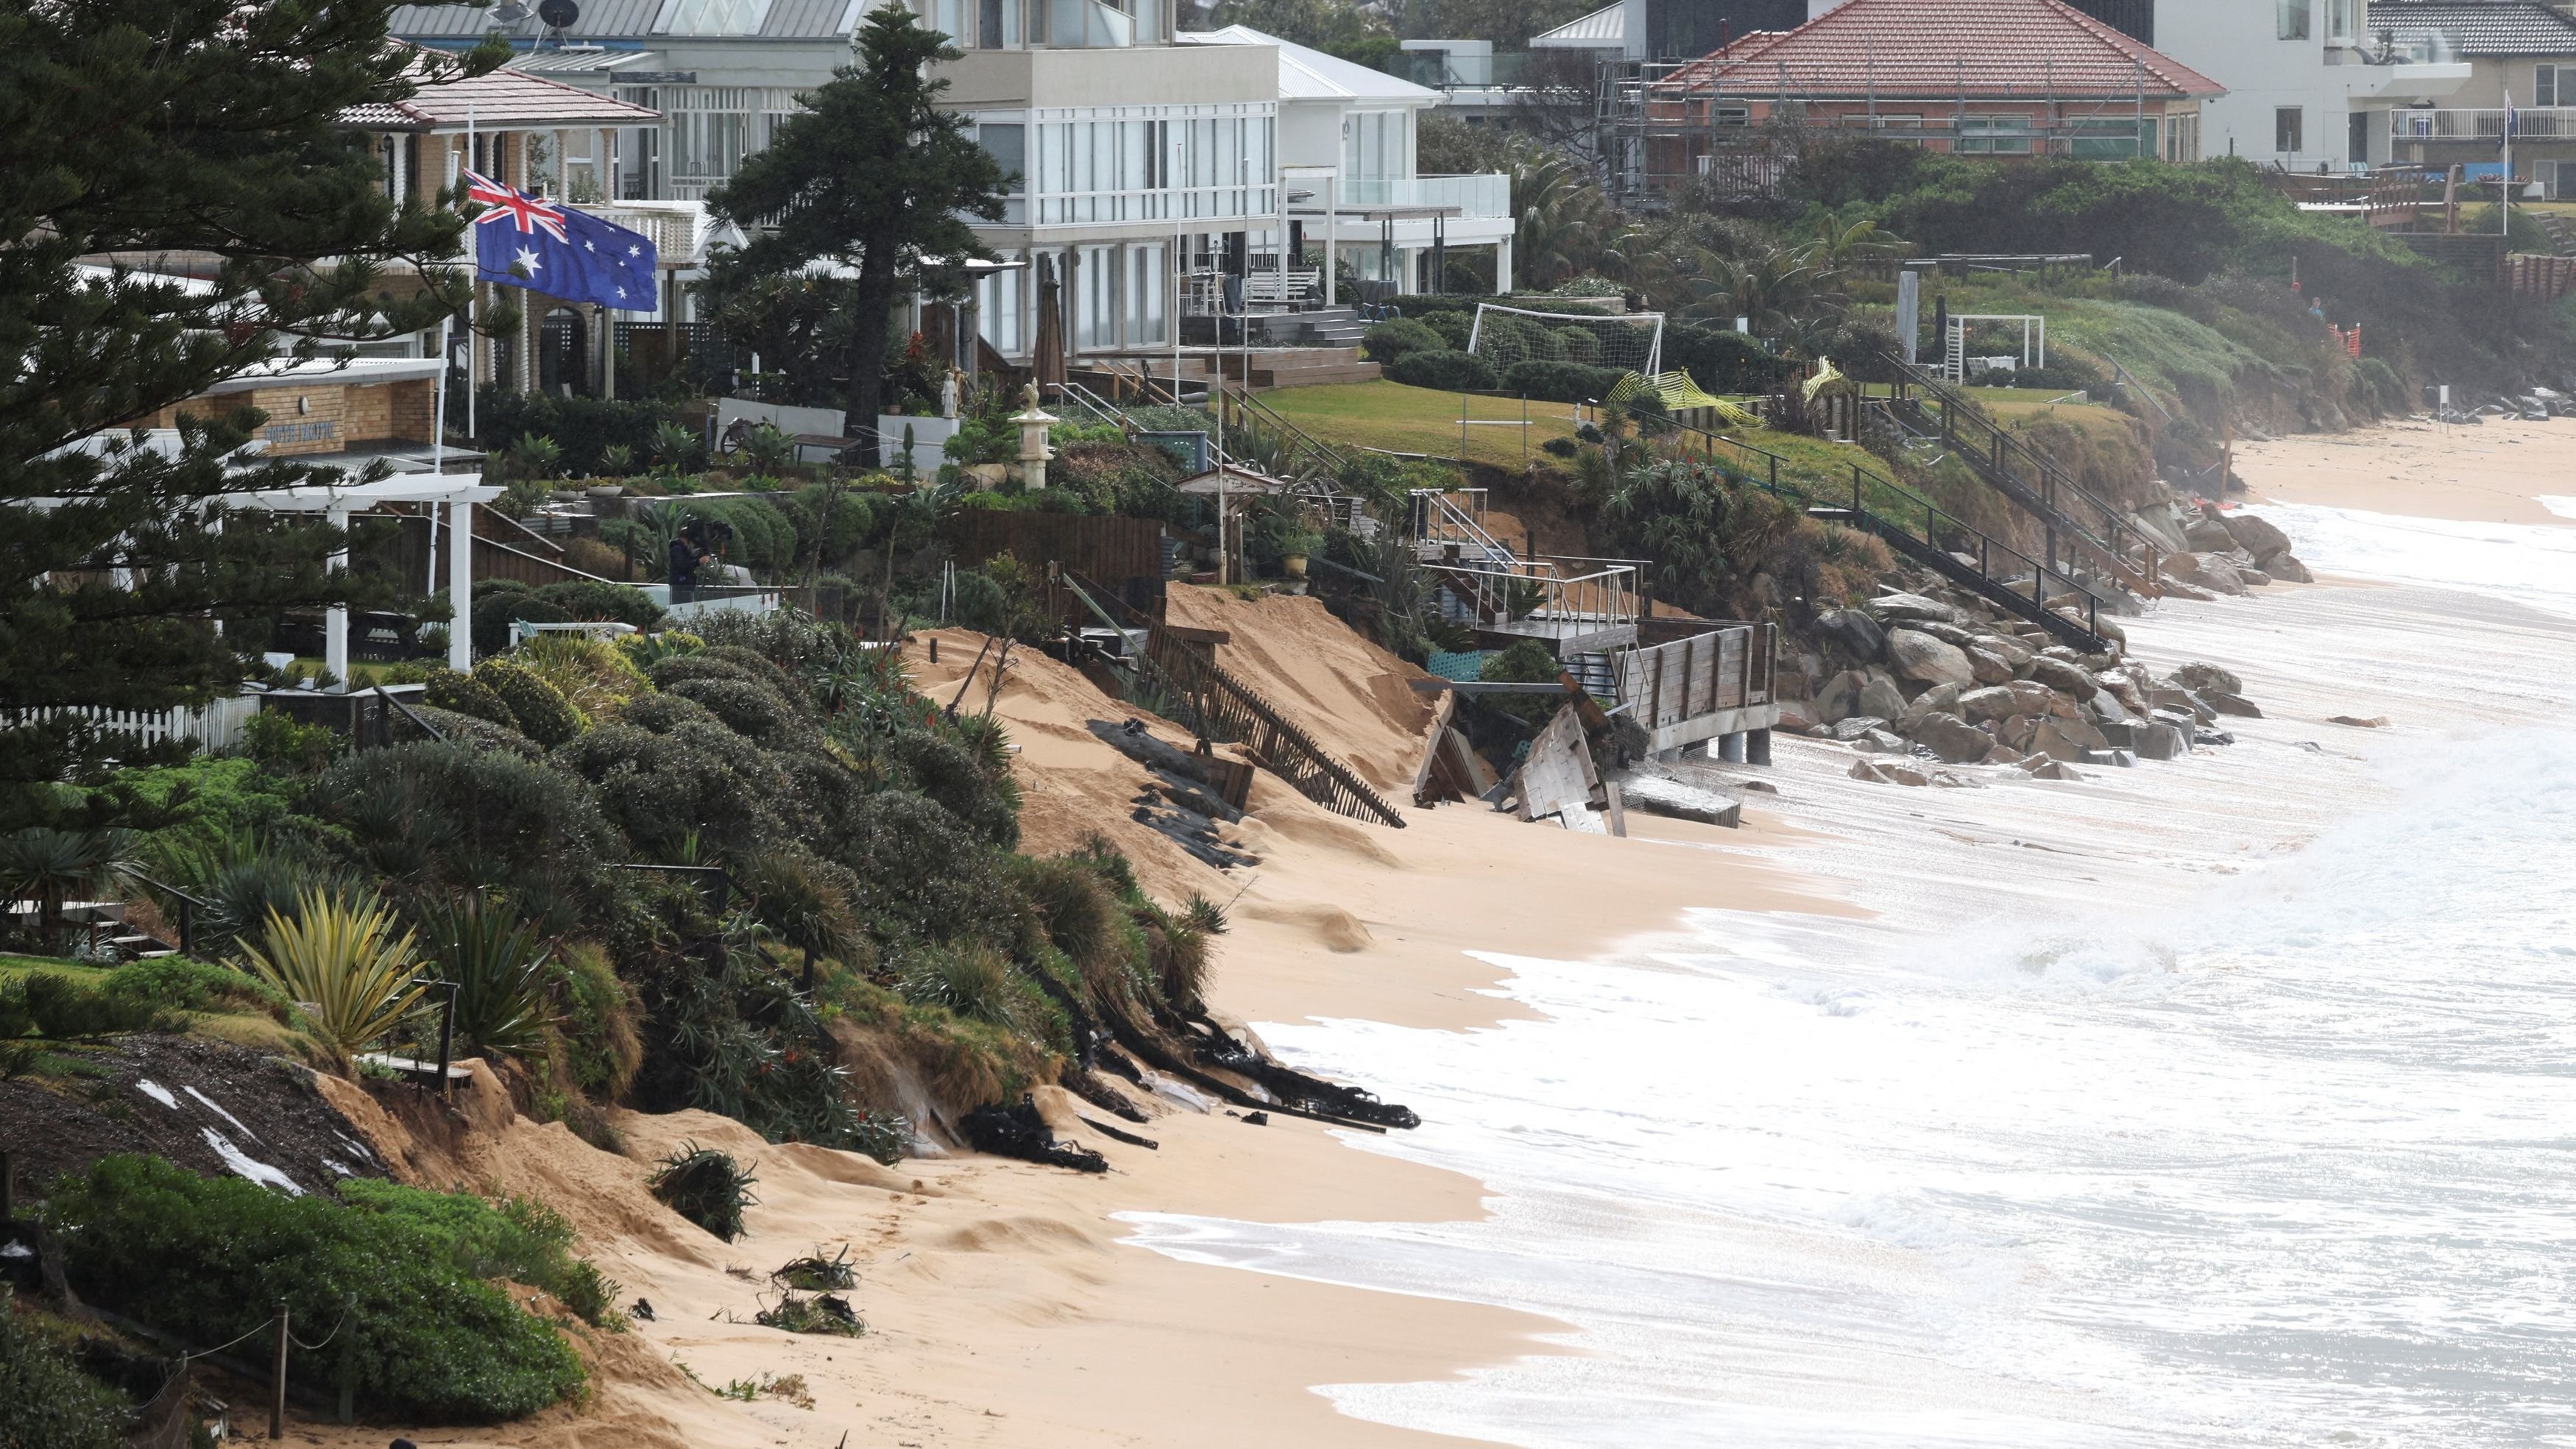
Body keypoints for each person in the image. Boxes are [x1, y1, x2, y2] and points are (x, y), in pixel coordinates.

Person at [667, 528, 701, 603]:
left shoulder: (685, 549)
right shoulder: (677, 548)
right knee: (680, 605)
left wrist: (698, 560)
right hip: (680, 585)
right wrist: (698, 561)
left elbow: (690, 561)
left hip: (687, 584)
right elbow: (682, 564)